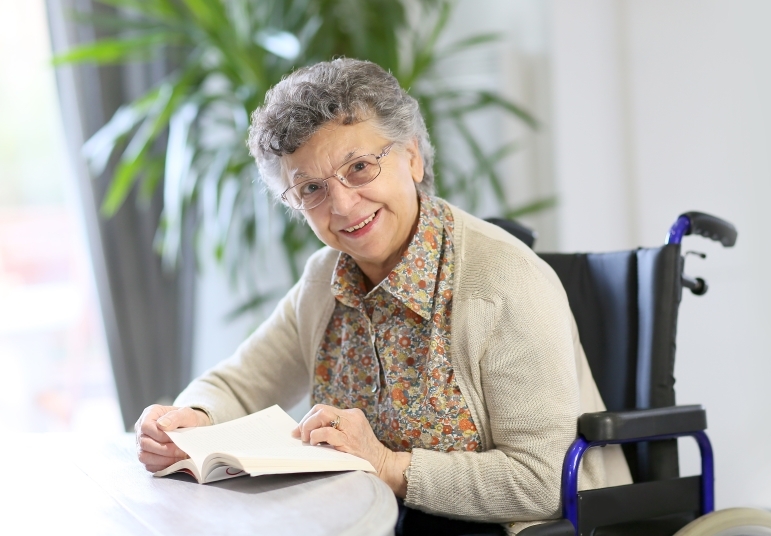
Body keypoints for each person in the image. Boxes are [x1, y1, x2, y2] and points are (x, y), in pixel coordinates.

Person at [134, 58, 631, 535]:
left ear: (411, 156)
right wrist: (189, 418)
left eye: (359, 167)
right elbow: (240, 385)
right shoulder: (325, 280)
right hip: (368, 522)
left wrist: (388, 465)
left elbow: (544, 481)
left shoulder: (503, 283)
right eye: (310, 188)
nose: (344, 205)